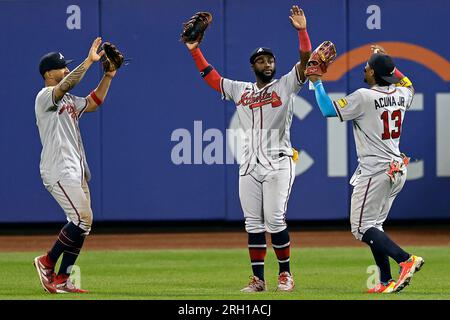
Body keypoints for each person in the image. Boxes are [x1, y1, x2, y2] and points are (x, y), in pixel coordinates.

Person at [184, 6, 311, 292]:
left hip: (279, 163)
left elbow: (305, 62)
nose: (266, 63)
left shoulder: (285, 86)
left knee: (275, 220)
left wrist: (302, 31)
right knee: (253, 224)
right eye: (261, 60)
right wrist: (194, 49)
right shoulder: (242, 90)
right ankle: (258, 280)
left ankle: (285, 275)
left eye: (270, 60)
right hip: (249, 166)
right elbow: (210, 77)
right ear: (253, 66)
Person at [308, 44, 424, 293]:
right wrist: (390, 65)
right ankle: (386, 281)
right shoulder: (401, 94)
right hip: (396, 169)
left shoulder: (364, 96)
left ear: (374, 74)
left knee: (361, 227)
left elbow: (328, 110)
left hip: (376, 171)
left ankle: (406, 259)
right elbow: (409, 85)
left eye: (369, 66)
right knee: (375, 226)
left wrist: (317, 83)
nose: (365, 67)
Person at [33, 37, 118, 293]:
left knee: (83, 223)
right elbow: (67, 84)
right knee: (82, 218)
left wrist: (109, 75)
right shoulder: (45, 96)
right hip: (58, 169)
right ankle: (46, 261)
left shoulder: (68, 100)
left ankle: (62, 278)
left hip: (76, 170)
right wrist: (90, 61)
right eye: (61, 67)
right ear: (49, 73)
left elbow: (93, 102)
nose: (66, 70)